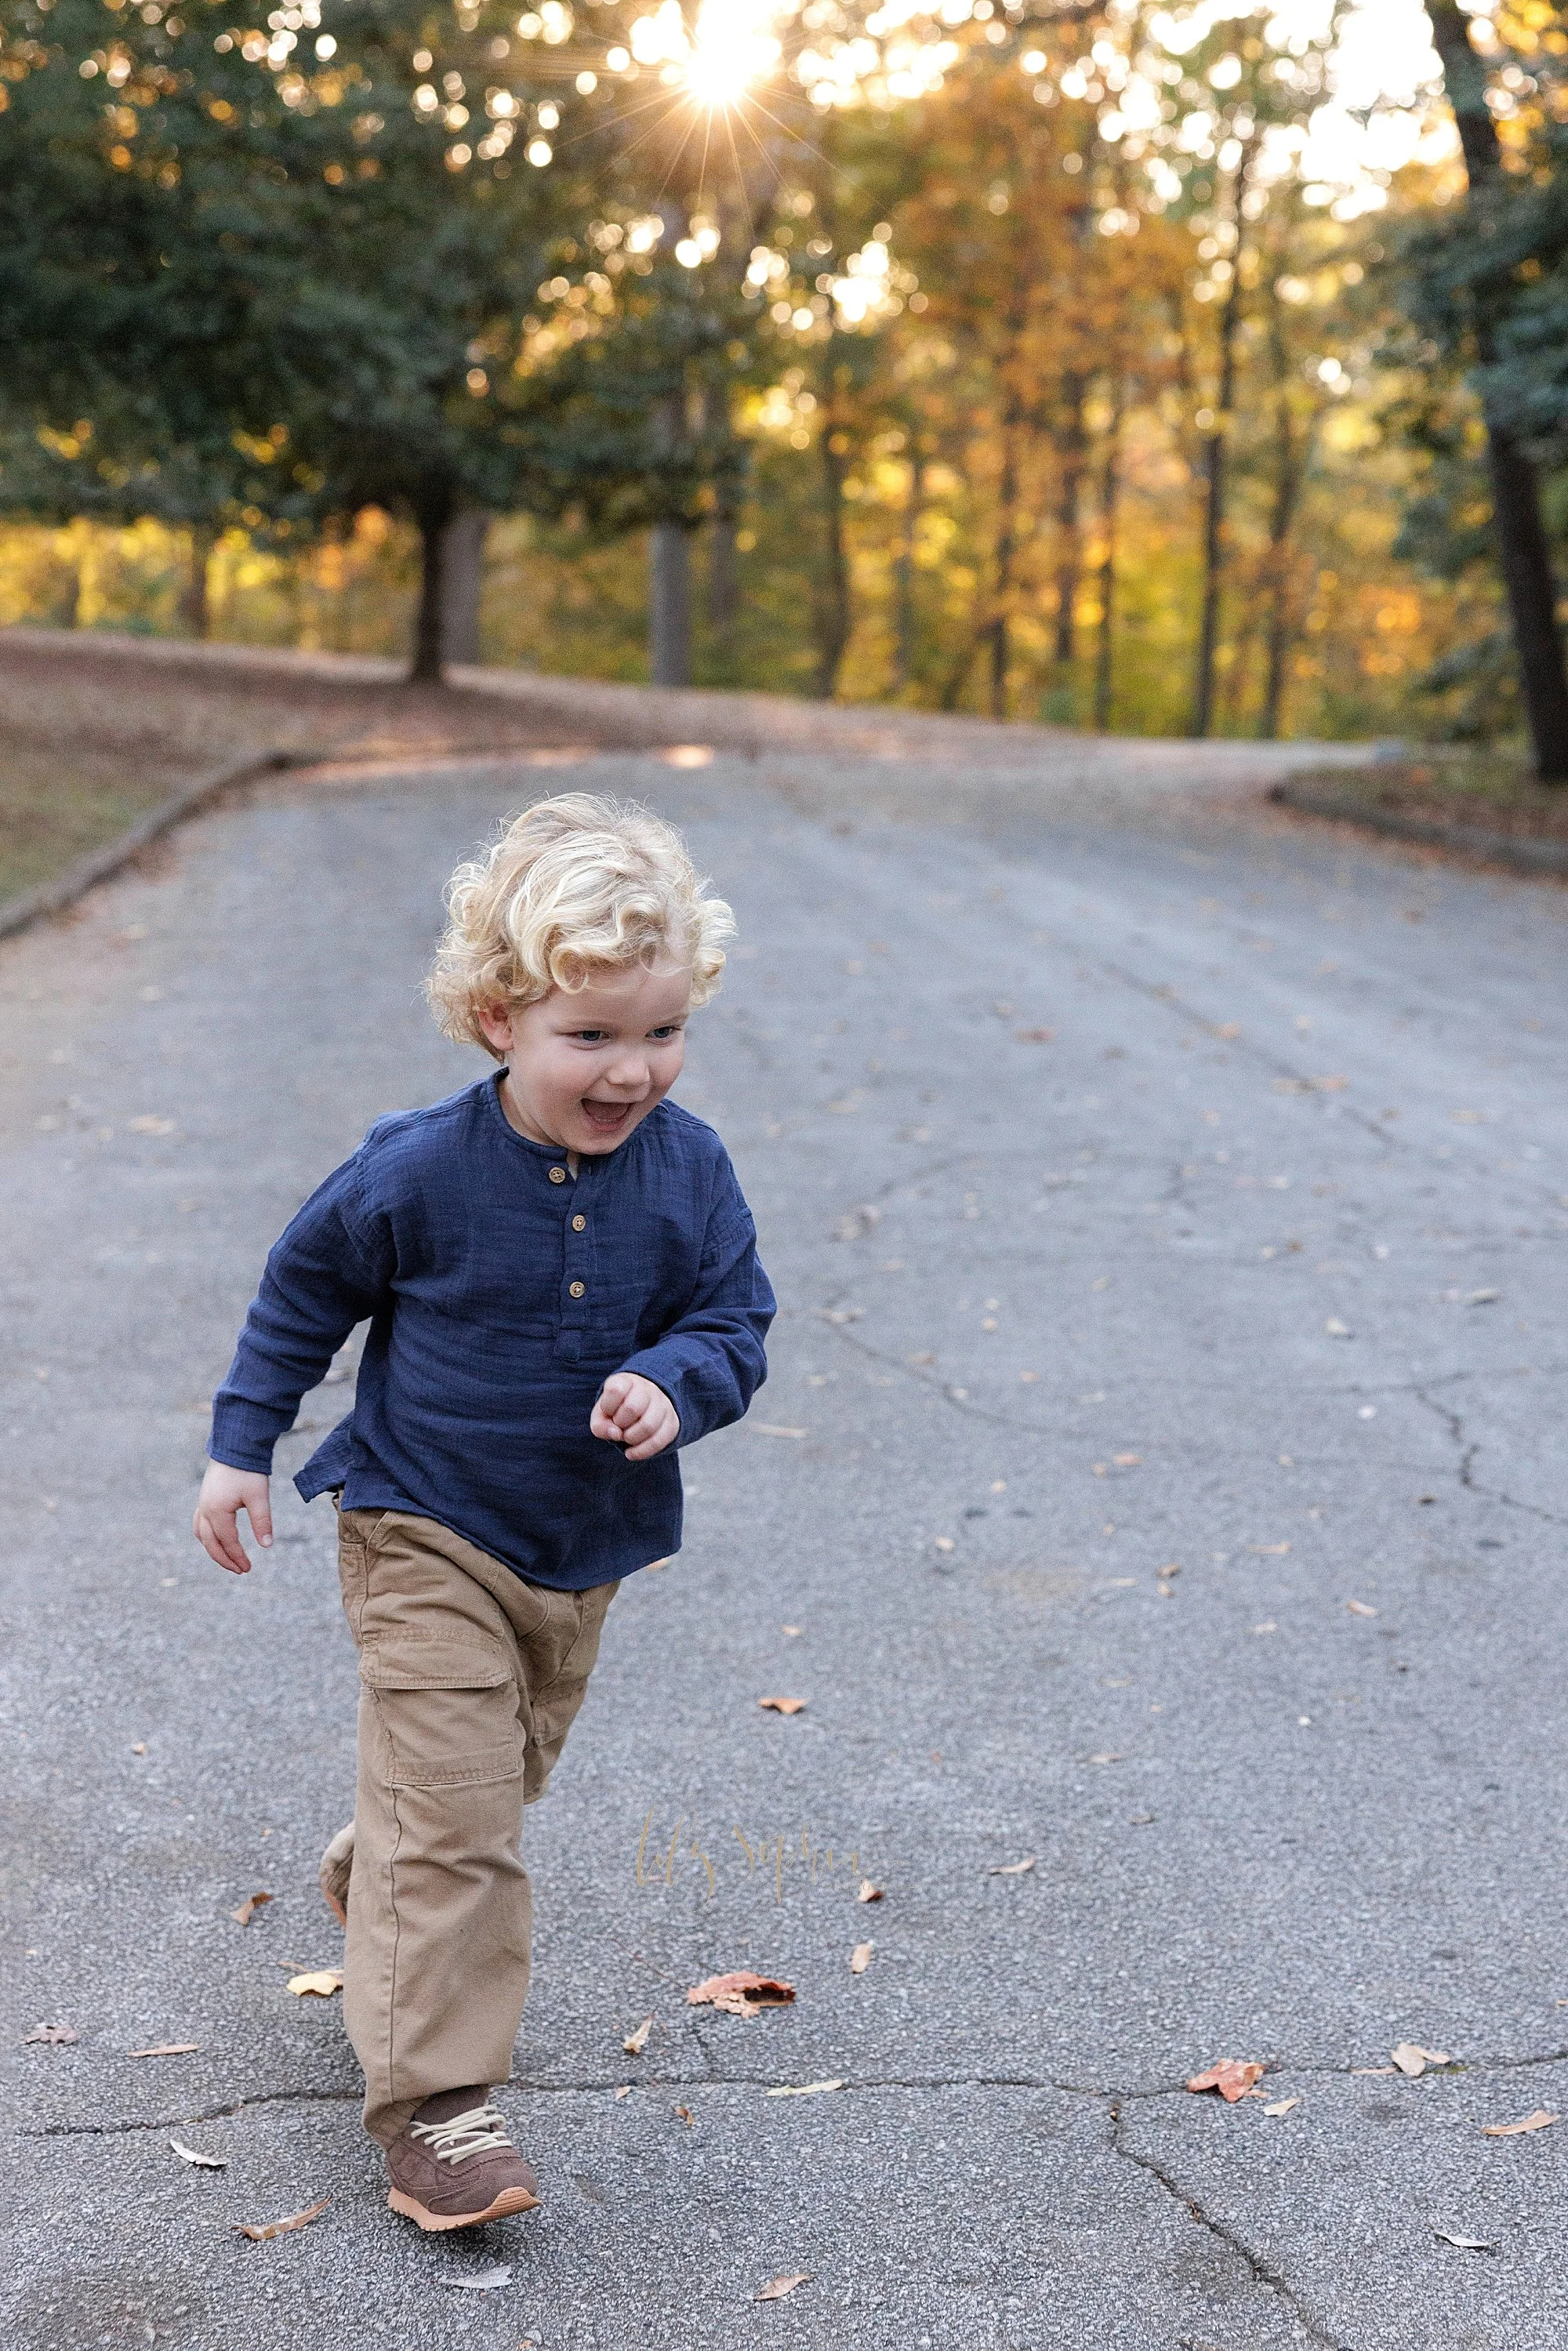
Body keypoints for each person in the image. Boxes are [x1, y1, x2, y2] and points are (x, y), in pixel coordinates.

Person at [192, 793, 774, 2231]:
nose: (632, 1069)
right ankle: (440, 2113)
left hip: (581, 1548)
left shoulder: (690, 1169)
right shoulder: (419, 1167)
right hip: (423, 1527)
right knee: (464, 1833)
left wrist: (676, 1379)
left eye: (660, 1031)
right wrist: (241, 1445)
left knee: (472, 1797)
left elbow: (737, 1318)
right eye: (591, 1036)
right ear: (500, 1017)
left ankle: (380, 1874)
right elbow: (303, 1288)